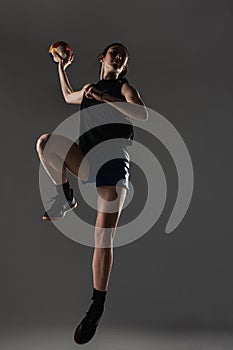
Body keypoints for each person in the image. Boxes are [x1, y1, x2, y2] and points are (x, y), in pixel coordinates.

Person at [36, 42, 147, 345]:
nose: (120, 56)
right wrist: (62, 68)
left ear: (124, 67)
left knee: (102, 237)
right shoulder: (89, 89)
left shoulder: (124, 88)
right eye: (115, 52)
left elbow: (141, 114)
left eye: (124, 55)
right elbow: (67, 95)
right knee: (46, 143)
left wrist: (102, 96)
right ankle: (65, 195)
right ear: (103, 58)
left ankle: (96, 306)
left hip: (113, 162)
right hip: (88, 158)